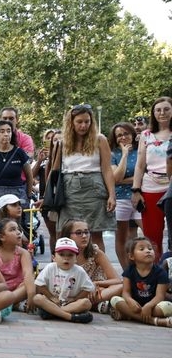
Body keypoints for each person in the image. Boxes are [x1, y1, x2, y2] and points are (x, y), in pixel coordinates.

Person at [53, 103, 116, 252]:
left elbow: (107, 169)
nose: (83, 126)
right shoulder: (62, 142)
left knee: (95, 233)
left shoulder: (100, 139)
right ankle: (70, 270)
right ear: (71, 123)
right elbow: (55, 171)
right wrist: (48, 195)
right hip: (69, 189)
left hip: (94, 187)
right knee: (68, 233)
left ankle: (98, 271)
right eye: (79, 122)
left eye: (87, 121)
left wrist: (112, 195)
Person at [132, 97, 172, 259]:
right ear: (153, 113)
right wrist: (136, 190)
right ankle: (155, 276)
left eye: (166, 109)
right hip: (150, 187)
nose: (162, 113)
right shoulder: (146, 135)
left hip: (171, 188)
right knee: (152, 236)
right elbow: (140, 165)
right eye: (158, 110)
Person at [60, 219, 122, 314]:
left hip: (96, 292)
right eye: (79, 233)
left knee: (121, 286)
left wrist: (96, 283)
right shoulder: (61, 254)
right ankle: (96, 305)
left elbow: (117, 280)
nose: (84, 236)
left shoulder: (96, 253)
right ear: (68, 236)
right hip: (72, 292)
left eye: (86, 232)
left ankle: (90, 305)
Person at [110, 236, 172, 327]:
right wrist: (130, 301)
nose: (148, 251)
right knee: (114, 300)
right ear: (131, 256)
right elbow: (125, 292)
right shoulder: (129, 270)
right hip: (135, 306)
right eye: (142, 249)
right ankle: (155, 321)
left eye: (150, 248)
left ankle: (129, 316)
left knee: (168, 306)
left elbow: (160, 296)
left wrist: (149, 306)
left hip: (153, 306)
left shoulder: (160, 272)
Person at [33, 237, 95, 323]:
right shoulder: (50, 267)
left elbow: (88, 288)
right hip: (52, 301)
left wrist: (75, 298)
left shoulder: (79, 271)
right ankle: (69, 317)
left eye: (70, 255)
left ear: (76, 258)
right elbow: (39, 284)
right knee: (37, 298)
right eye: (61, 254)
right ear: (54, 257)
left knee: (86, 303)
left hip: (69, 303)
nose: (66, 258)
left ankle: (54, 312)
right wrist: (51, 297)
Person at [109, 122, 142, 270]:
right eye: (119, 135)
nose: (123, 137)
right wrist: (124, 154)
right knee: (121, 238)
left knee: (149, 233)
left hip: (140, 197)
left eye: (126, 134)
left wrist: (126, 179)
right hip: (121, 199)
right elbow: (116, 178)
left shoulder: (142, 149)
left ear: (132, 134)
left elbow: (146, 173)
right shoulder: (113, 154)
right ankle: (127, 273)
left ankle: (149, 270)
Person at [0, 218, 35, 313]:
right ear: (1, 237)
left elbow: (28, 274)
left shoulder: (23, 253)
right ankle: (9, 304)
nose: (18, 232)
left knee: (30, 285)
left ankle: (5, 304)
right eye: (12, 230)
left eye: (18, 229)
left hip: (17, 292)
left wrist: (31, 294)